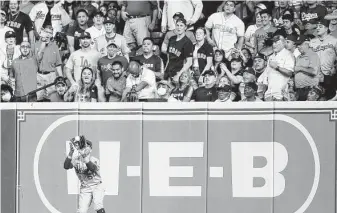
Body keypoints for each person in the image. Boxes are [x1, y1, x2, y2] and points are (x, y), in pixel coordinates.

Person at [63, 135, 106, 213]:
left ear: (91, 149)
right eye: (85, 146)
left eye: (88, 147)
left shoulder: (94, 160)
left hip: (97, 185)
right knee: (81, 211)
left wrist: (83, 155)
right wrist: (70, 153)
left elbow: (92, 168)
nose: (86, 148)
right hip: (85, 188)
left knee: (98, 205)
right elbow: (66, 166)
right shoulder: (76, 160)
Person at [33, 25, 63, 101]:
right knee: (39, 99)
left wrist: (61, 78)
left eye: (50, 33)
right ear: (42, 33)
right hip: (39, 75)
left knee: (52, 98)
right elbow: (37, 59)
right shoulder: (36, 45)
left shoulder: (55, 46)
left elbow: (58, 64)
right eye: (46, 32)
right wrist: (43, 44)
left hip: (51, 76)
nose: (48, 34)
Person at [310, 19, 337, 100]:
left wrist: (335, 67)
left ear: (326, 28)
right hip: (315, 75)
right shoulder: (312, 41)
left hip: (329, 74)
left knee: (330, 98)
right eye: (317, 26)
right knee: (316, 99)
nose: (317, 28)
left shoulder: (334, 41)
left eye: (320, 26)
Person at [264, 35, 295, 101]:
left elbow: (289, 73)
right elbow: (267, 74)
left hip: (280, 93)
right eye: (273, 43)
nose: (274, 45)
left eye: (277, 43)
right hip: (269, 93)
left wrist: (277, 67)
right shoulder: (271, 56)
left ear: (283, 43)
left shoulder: (288, 54)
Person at [165, 18, 193, 84]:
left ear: (185, 27)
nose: (179, 28)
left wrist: (178, 75)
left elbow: (189, 62)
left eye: (181, 25)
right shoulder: (172, 39)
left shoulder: (187, 42)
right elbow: (168, 59)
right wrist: (165, 71)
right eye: (177, 25)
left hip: (178, 73)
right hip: (169, 72)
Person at [294, 35, 320, 101]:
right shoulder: (298, 57)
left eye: (300, 44)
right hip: (299, 90)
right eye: (297, 45)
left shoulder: (313, 55)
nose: (298, 46)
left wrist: (300, 68)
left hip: (309, 90)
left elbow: (314, 71)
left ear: (307, 44)